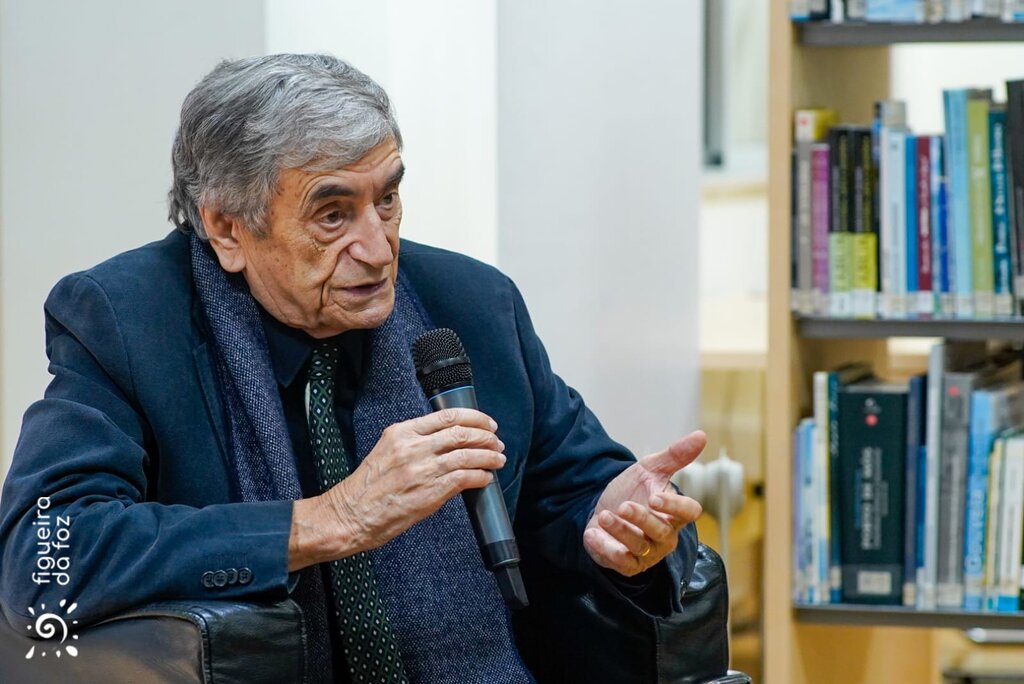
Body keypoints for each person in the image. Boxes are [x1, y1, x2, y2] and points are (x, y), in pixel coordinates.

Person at [0, 54, 704, 682]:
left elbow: (575, 492)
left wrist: (616, 522)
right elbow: (44, 559)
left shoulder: (472, 304)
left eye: (387, 199)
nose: (378, 247)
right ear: (226, 228)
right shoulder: (128, 323)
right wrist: (327, 521)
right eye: (332, 215)